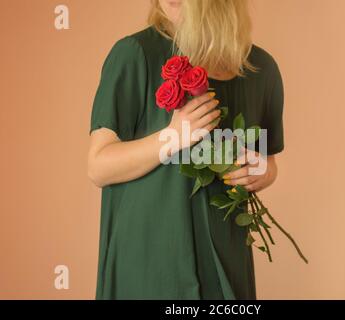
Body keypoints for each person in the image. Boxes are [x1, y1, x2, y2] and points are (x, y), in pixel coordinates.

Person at [88, 0, 284, 300]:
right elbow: (98, 167)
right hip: (149, 268)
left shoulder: (261, 70)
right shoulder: (135, 54)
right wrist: (172, 137)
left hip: (225, 262)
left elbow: (267, 163)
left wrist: (260, 171)